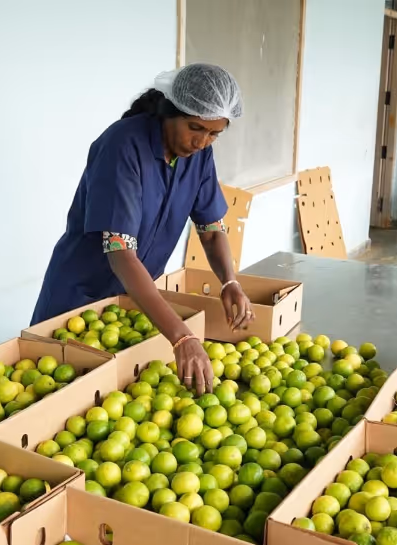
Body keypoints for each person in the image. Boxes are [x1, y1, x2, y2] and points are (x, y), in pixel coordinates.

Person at [31, 64, 253, 395]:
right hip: (79, 296)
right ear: (169, 112)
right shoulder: (122, 146)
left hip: (134, 303)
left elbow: (210, 228)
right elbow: (120, 253)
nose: (202, 141)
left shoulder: (199, 155)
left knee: (114, 396)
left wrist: (229, 281)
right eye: (195, 128)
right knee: (56, 393)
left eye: (213, 134)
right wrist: (182, 336)